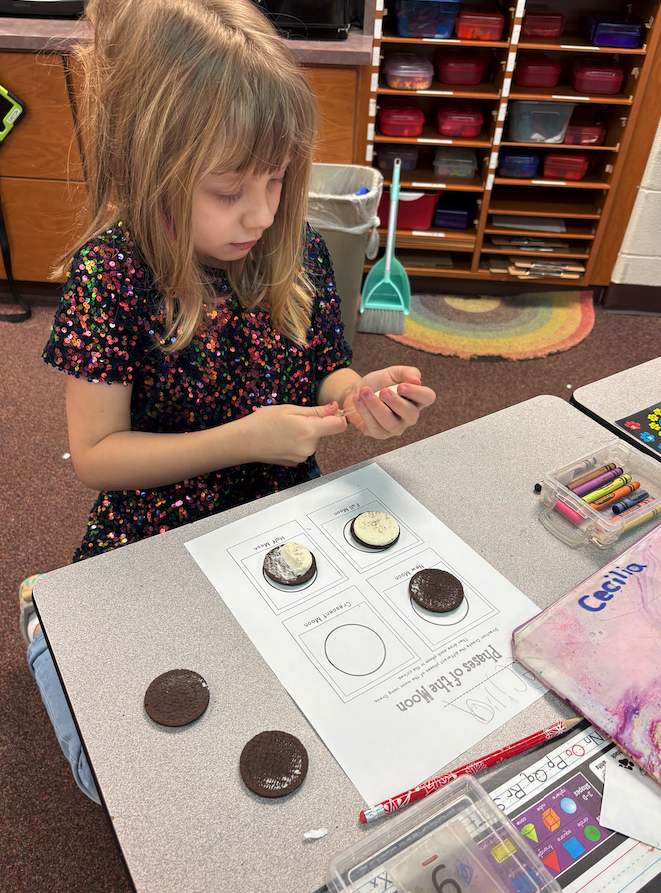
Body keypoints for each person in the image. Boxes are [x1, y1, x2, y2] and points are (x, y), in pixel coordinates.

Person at [19, 0, 436, 803]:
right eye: (228, 189)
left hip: (278, 512)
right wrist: (245, 437)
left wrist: (357, 395)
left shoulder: (294, 245)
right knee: (125, 778)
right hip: (154, 529)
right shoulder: (112, 275)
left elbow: (324, 369)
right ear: (153, 165)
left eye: (277, 180)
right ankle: (46, 615)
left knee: (325, 712)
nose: (261, 212)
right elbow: (97, 456)